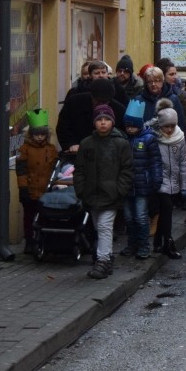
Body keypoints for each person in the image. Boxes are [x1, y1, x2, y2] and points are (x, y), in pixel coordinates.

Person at [73, 105, 133, 279]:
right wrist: (81, 190)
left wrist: (119, 190)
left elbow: (127, 169)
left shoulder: (120, 143)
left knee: (105, 227)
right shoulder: (87, 143)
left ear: (112, 122)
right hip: (91, 194)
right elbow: (80, 169)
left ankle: (103, 260)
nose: (103, 123)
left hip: (111, 194)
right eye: (99, 120)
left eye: (106, 119)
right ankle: (106, 258)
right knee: (99, 227)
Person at [120, 98, 161, 260]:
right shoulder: (124, 140)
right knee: (129, 217)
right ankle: (132, 243)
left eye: (133, 125)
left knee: (141, 216)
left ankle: (144, 245)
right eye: (127, 125)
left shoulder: (149, 139)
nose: (130, 129)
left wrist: (155, 179)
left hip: (142, 184)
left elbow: (155, 162)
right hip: (127, 185)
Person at [15, 109, 58, 255]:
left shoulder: (51, 149)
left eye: (42, 134)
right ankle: (30, 240)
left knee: (45, 215)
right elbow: (21, 171)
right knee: (29, 216)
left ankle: (44, 240)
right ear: (31, 135)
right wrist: (23, 188)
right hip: (31, 189)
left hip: (46, 189)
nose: (39, 137)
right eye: (36, 134)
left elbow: (54, 168)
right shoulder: (24, 149)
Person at [153, 98, 186, 258]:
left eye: (171, 126)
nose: (168, 130)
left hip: (173, 180)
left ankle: (158, 242)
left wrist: (184, 185)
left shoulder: (179, 138)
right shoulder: (153, 137)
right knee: (166, 209)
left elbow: (183, 162)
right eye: (165, 126)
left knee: (166, 211)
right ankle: (168, 241)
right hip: (159, 181)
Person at [57, 78, 126, 152]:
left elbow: (121, 134)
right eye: (98, 101)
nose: (101, 104)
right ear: (91, 96)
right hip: (77, 152)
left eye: (105, 102)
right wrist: (70, 144)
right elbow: (63, 127)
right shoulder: (74, 103)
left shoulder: (119, 110)